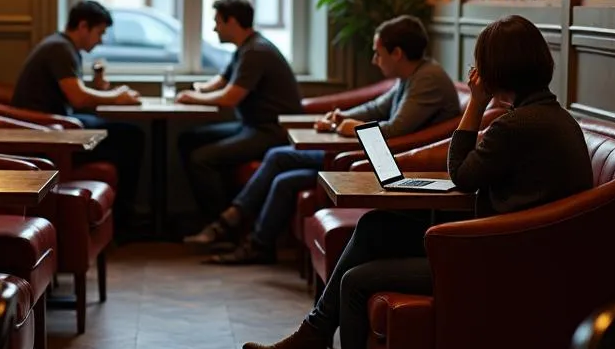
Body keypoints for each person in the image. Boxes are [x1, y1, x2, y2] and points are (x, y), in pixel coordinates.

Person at [241, 15, 592, 349]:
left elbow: (461, 174)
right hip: (503, 251)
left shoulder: (518, 126)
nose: (474, 72)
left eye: (480, 64)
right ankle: (313, 337)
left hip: (498, 264)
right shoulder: (545, 117)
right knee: (374, 226)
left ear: (495, 69)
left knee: (356, 282)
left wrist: (477, 102)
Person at [185, 15, 460, 265]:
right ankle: (252, 239)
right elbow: (376, 107)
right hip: (371, 155)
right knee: (281, 171)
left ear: (397, 53)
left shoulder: (427, 79)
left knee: (279, 160)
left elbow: (397, 129)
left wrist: (353, 128)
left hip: (388, 162)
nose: (374, 60)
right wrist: (339, 116)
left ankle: (239, 230)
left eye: (377, 54)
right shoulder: (413, 74)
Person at [11, 0, 144, 226]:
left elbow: (75, 95)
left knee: (126, 135)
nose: (101, 40)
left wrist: (100, 88)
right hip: (48, 133)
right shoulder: (60, 48)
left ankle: (123, 215)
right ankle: (124, 219)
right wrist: (116, 97)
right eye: (99, 33)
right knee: (131, 137)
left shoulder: (63, 46)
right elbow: (78, 98)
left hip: (59, 125)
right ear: (83, 26)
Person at [177, 0, 302, 221]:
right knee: (188, 139)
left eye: (218, 22)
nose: (215, 29)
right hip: (250, 126)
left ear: (232, 21)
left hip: (271, 131)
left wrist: (192, 99)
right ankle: (211, 214)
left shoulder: (256, 51)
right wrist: (197, 90)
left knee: (201, 158)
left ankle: (219, 224)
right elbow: (222, 82)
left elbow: (229, 98)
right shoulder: (246, 48)